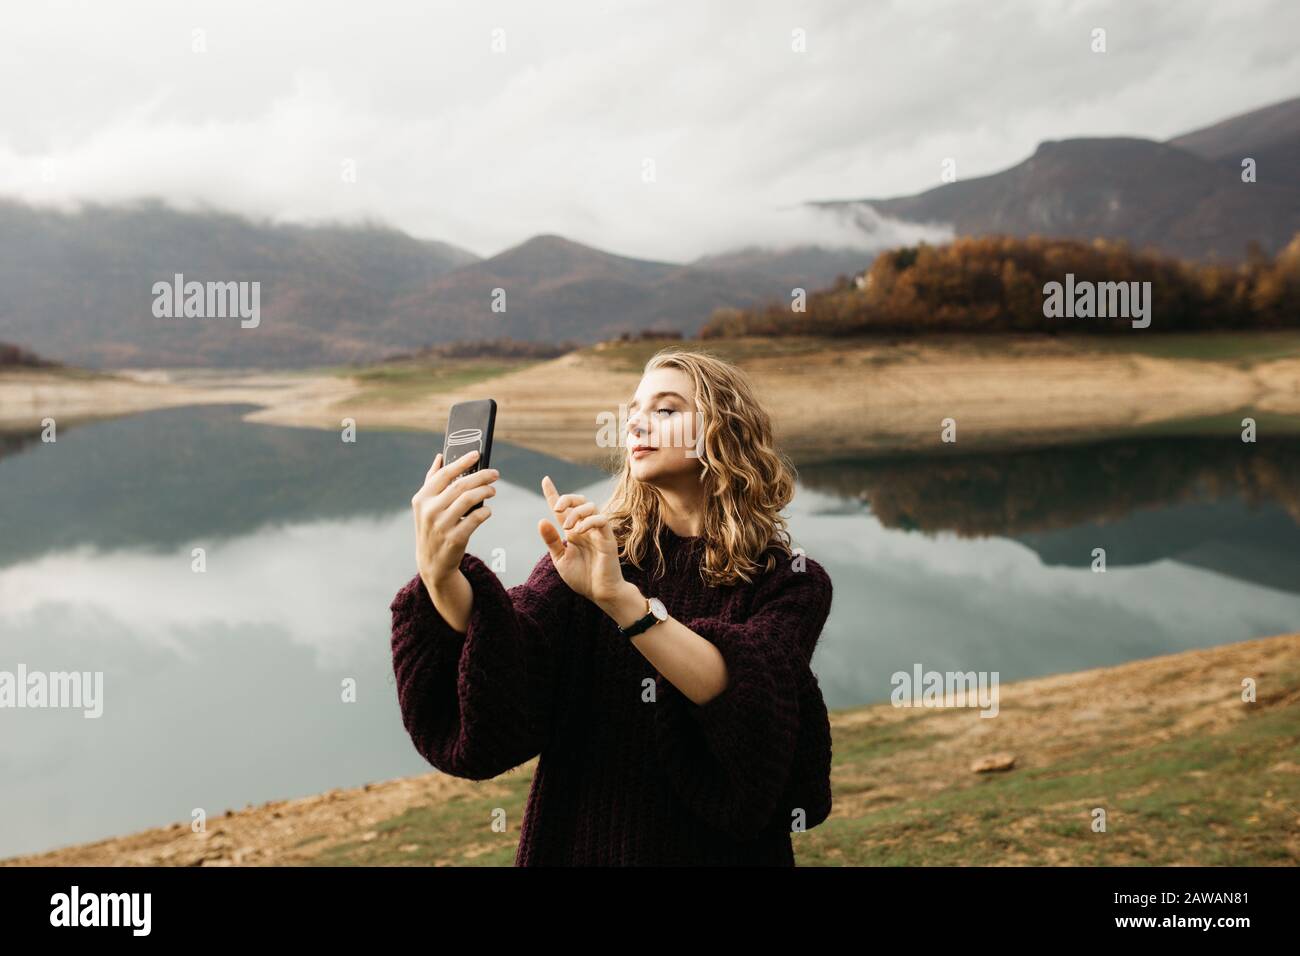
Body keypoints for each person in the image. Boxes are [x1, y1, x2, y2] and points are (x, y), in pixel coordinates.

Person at [390, 348, 835, 865]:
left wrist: (620, 600)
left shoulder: (790, 582)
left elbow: (750, 687)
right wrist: (440, 574)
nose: (637, 421)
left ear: (723, 433)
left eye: (666, 409)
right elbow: (517, 644)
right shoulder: (599, 550)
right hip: (581, 845)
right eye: (635, 409)